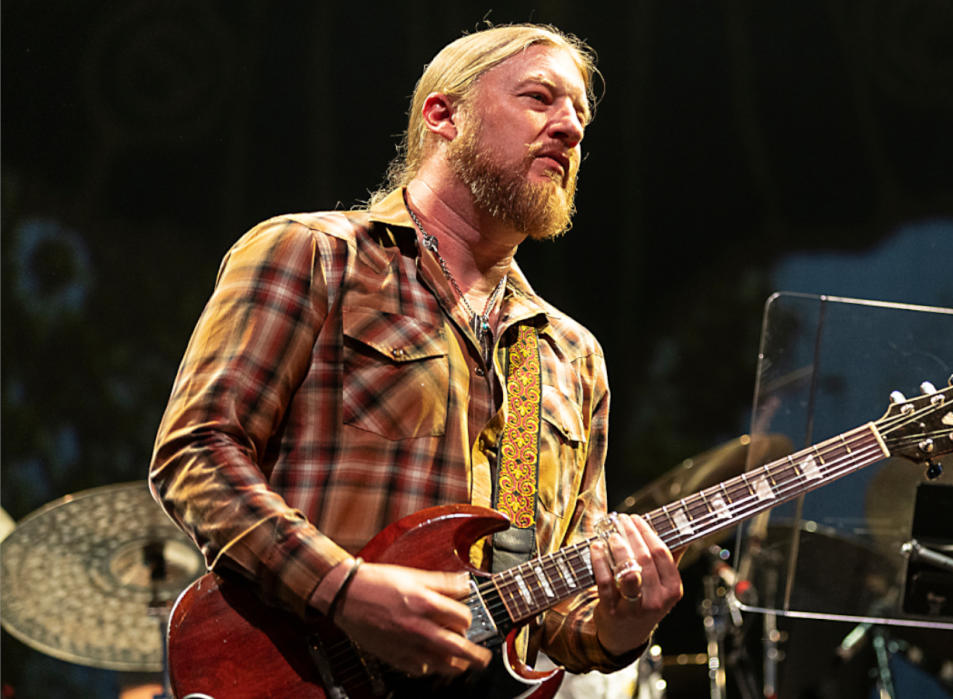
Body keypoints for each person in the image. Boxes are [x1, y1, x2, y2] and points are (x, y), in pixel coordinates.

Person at [149, 22, 681, 689]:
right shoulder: (314, 255)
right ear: (443, 115)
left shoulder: (572, 355)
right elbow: (195, 451)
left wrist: (623, 623)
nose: (571, 128)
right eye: (540, 98)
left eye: (579, 113)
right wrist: (342, 589)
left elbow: (552, 619)